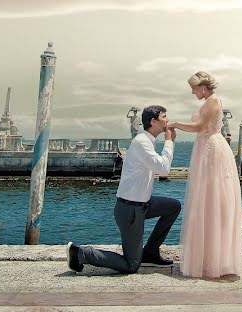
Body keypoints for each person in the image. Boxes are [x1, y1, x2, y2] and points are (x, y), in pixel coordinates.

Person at [66, 105, 181, 274]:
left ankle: (149, 252)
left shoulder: (147, 141)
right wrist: (170, 142)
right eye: (165, 116)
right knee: (131, 265)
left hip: (143, 204)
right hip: (130, 209)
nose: (168, 120)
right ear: (153, 121)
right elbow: (163, 169)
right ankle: (80, 252)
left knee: (173, 206)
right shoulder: (142, 143)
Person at [169, 71, 242, 279]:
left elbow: (200, 126)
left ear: (203, 86)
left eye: (193, 88)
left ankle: (214, 261)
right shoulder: (209, 101)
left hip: (211, 149)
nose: (192, 92)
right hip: (205, 148)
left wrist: (175, 124)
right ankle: (210, 259)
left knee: (212, 198)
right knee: (206, 200)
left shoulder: (213, 101)